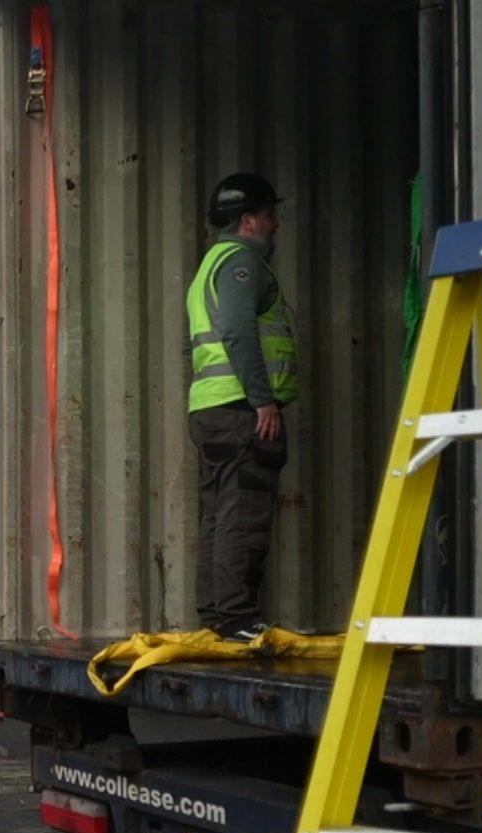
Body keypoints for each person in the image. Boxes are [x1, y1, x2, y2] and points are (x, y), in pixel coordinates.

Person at [186, 173, 299, 642]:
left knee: (219, 513)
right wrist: (263, 401)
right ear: (248, 221)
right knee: (244, 512)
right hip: (240, 410)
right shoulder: (241, 265)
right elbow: (236, 329)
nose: (277, 223)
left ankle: (217, 612)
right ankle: (235, 618)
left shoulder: (210, 265)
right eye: (271, 213)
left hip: (212, 410)